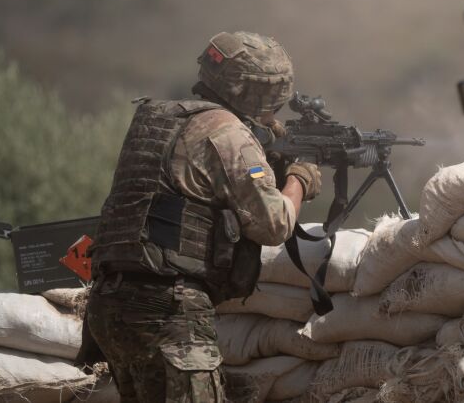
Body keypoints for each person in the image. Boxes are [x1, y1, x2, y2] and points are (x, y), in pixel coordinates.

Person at [85, 31, 321, 402]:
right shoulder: (227, 133)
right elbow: (274, 224)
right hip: (168, 307)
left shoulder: (158, 119)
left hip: (110, 302)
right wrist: (300, 179)